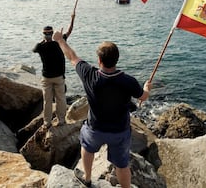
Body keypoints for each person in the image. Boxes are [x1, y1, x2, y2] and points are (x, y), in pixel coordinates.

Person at [53, 30, 152, 188]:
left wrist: (59, 40)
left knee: (87, 147)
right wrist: (146, 87)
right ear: (117, 60)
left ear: (99, 60)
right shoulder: (128, 81)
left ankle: (87, 178)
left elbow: (71, 56)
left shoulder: (89, 75)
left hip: (95, 129)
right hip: (120, 131)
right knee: (121, 164)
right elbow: (143, 97)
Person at [32, 14, 75, 128]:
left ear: (44, 34)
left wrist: (43, 40)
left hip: (46, 78)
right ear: (52, 33)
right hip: (59, 77)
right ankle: (61, 121)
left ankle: (47, 123)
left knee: (47, 101)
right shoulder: (59, 42)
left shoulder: (40, 47)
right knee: (61, 99)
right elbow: (70, 30)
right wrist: (72, 18)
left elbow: (34, 49)